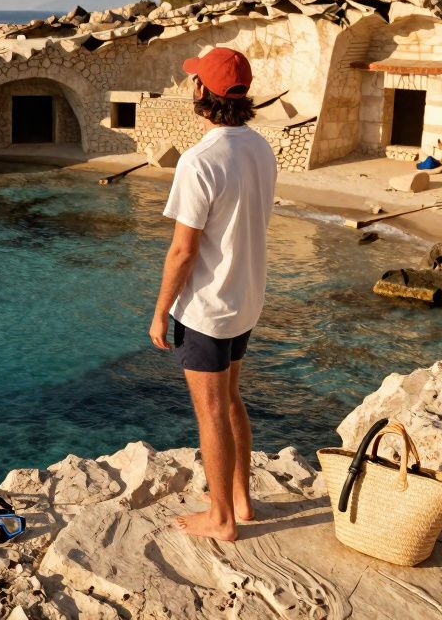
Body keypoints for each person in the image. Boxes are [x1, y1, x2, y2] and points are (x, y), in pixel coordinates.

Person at [148, 47, 276, 542]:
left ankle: (221, 518)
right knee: (231, 399)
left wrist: (161, 312)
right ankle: (240, 499)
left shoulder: (200, 160)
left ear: (202, 91)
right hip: (246, 300)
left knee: (211, 411)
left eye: (194, 80)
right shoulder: (261, 147)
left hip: (205, 308)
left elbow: (183, 251)